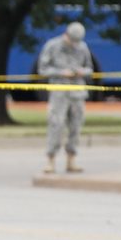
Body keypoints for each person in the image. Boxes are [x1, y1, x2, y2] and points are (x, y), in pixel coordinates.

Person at [38, 22, 92, 174]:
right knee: (56, 125)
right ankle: (50, 160)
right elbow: (43, 69)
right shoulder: (52, 46)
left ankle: (71, 160)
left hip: (77, 93)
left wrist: (81, 72)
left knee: (76, 126)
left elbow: (90, 68)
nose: (74, 45)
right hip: (59, 93)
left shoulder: (82, 47)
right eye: (72, 41)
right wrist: (61, 72)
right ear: (66, 35)